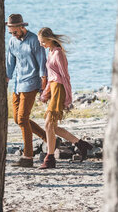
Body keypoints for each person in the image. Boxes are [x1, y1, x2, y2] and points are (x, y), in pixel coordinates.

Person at [37, 27, 92, 169]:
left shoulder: (59, 54)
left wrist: (68, 97)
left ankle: (50, 158)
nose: (41, 44)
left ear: (50, 39)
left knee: (48, 124)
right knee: (53, 126)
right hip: (54, 89)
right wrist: (44, 94)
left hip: (60, 90)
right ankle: (81, 144)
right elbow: (51, 78)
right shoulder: (50, 53)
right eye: (40, 42)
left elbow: (65, 77)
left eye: (43, 42)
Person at [6, 14, 48, 168]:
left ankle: (28, 157)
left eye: (15, 32)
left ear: (22, 27)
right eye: (10, 32)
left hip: (31, 84)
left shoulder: (34, 41)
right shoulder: (12, 42)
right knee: (18, 119)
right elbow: (10, 63)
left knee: (23, 118)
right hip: (17, 84)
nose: (13, 35)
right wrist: (7, 78)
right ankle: (49, 139)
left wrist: (44, 84)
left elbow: (42, 62)